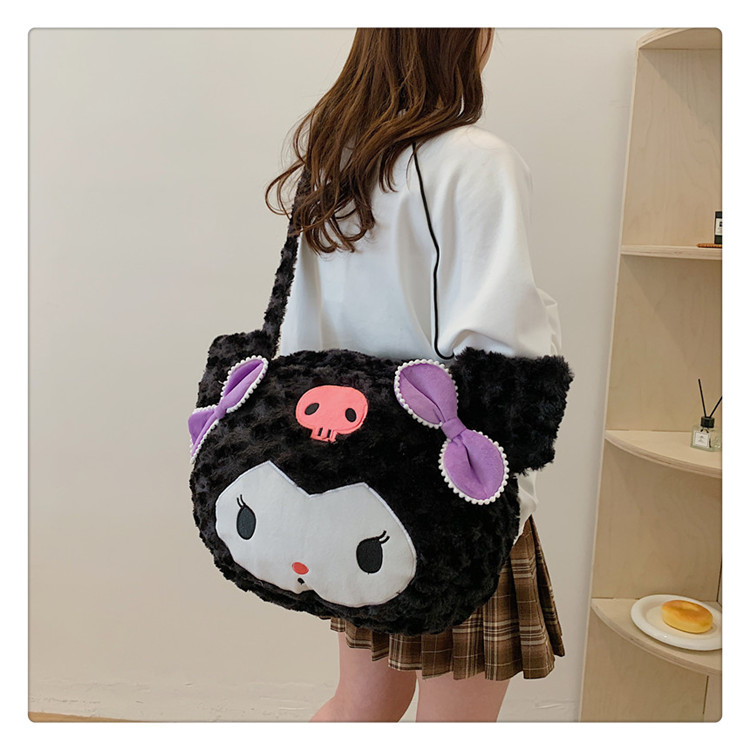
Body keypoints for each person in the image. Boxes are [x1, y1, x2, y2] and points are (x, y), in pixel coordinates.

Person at [265, 28, 565, 723]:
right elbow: (503, 352)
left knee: (356, 711)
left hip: (359, 490)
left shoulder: (337, 163)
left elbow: (301, 336)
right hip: (458, 495)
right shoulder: (478, 162)